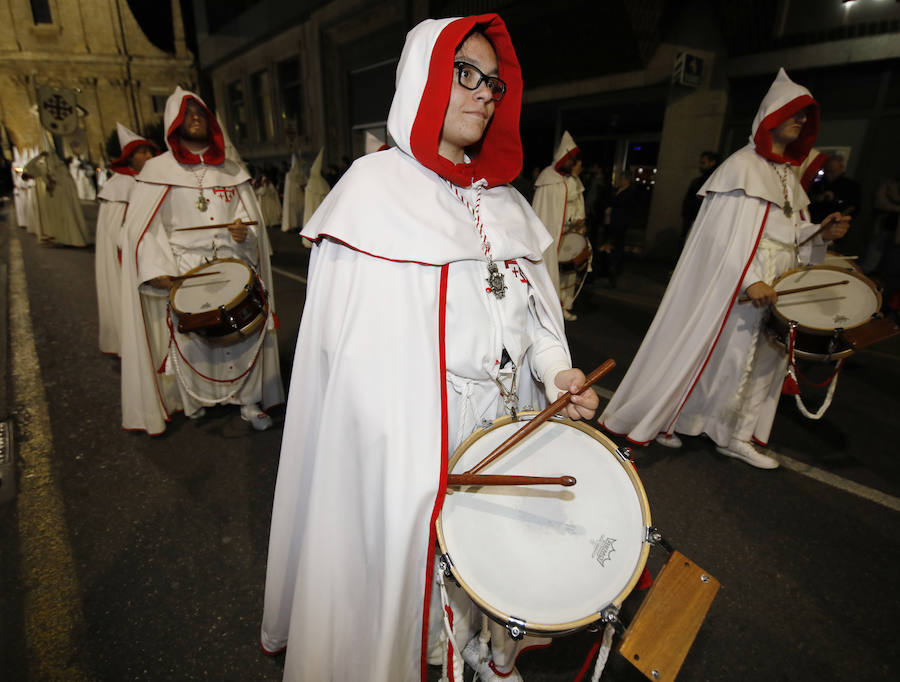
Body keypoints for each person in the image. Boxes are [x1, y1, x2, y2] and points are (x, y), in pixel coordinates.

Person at [260, 15, 599, 682]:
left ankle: (483, 649)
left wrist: (556, 370)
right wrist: (410, 439)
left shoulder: (503, 203)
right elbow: (350, 360)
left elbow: (533, 316)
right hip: (411, 435)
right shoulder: (371, 192)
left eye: (493, 83)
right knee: (417, 555)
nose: (483, 93)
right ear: (423, 79)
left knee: (497, 544)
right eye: (464, 75)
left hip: (501, 422)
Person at [599, 68, 850, 469]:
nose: (802, 120)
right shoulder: (742, 166)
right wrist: (750, 280)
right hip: (745, 283)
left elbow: (787, 232)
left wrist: (820, 232)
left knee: (762, 364)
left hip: (780, 281)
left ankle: (731, 432)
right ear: (771, 116)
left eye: (807, 115)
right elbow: (722, 238)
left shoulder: (786, 173)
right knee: (724, 358)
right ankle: (697, 423)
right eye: (795, 112)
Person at [119, 87, 284, 435]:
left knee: (243, 332)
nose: (196, 118)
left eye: (201, 112)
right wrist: (159, 270)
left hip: (231, 262)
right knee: (193, 337)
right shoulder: (157, 170)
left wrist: (244, 233)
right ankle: (196, 399)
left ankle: (248, 401)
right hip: (185, 266)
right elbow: (147, 229)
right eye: (187, 113)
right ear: (174, 122)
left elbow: (246, 216)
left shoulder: (232, 170)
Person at [95, 123, 158, 356]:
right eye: (142, 152)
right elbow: (117, 230)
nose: (149, 156)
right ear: (129, 157)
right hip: (130, 255)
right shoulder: (120, 185)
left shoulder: (145, 179)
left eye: (150, 151)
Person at [531, 131, 585, 320]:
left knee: (566, 272)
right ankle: (544, 309)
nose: (574, 164)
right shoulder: (547, 177)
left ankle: (561, 306)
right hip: (549, 234)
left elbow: (576, 203)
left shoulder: (569, 181)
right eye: (572, 159)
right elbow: (542, 209)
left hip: (565, 232)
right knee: (548, 271)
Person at [23, 140, 91, 247]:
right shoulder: (44, 169)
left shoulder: (61, 169)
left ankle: (71, 239)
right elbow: (28, 167)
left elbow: (67, 184)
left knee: (67, 218)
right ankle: (62, 239)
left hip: (62, 198)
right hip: (53, 198)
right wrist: (39, 157)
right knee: (57, 220)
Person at [679, 150, 719, 250]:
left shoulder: (708, 180)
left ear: (712, 162)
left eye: (703, 163)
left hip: (696, 217)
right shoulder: (703, 179)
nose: (700, 166)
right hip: (694, 216)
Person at [807, 154, 861, 224]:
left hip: (835, 223)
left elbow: (853, 207)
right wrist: (818, 198)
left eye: (833, 171)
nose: (829, 174)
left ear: (841, 169)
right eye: (827, 171)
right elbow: (807, 199)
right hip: (814, 221)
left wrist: (835, 199)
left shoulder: (851, 186)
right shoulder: (818, 184)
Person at [280, 153, 306, 232]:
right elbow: (290, 186)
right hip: (292, 197)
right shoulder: (289, 175)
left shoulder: (301, 174)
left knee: (300, 210)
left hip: (299, 195)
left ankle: (299, 225)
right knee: (293, 213)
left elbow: (304, 181)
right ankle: (294, 226)